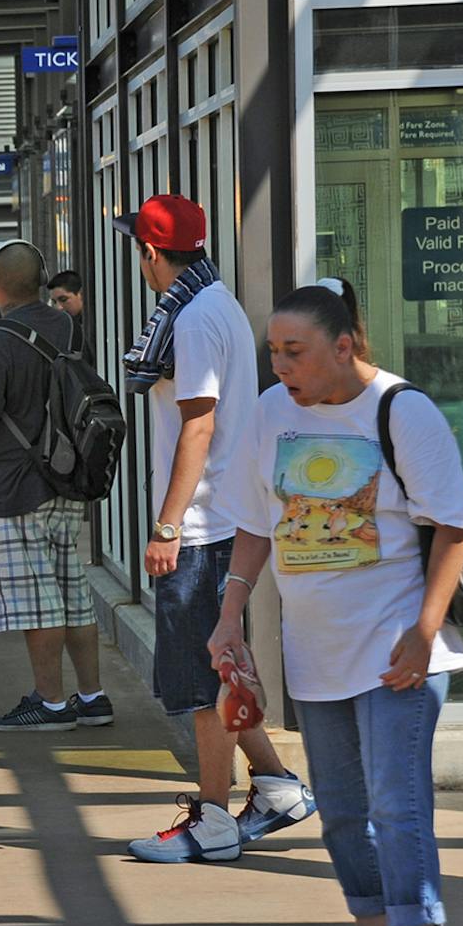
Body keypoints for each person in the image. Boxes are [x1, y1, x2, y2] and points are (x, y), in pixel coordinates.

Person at [208, 278, 463, 926]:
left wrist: (424, 629)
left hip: (396, 650)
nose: (281, 365)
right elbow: (256, 524)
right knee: (343, 813)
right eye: (274, 352)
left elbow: (451, 526)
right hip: (316, 650)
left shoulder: (401, 409)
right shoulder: (269, 413)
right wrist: (231, 616)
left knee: (398, 805)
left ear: (344, 345)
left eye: (295, 352)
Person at [112, 194, 315, 864]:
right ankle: (278, 786)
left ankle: (213, 821)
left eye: (138, 249)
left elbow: (197, 425)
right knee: (225, 666)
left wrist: (167, 524)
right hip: (221, 515)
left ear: (150, 253)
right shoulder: (218, 302)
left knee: (202, 682)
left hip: (199, 525)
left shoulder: (193, 320)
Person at [0, 241, 112, 731]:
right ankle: (92, 696)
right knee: (72, 594)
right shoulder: (65, 325)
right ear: (40, 281)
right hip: (64, 477)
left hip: (14, 486)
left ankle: (52, 703)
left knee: (38, 603)